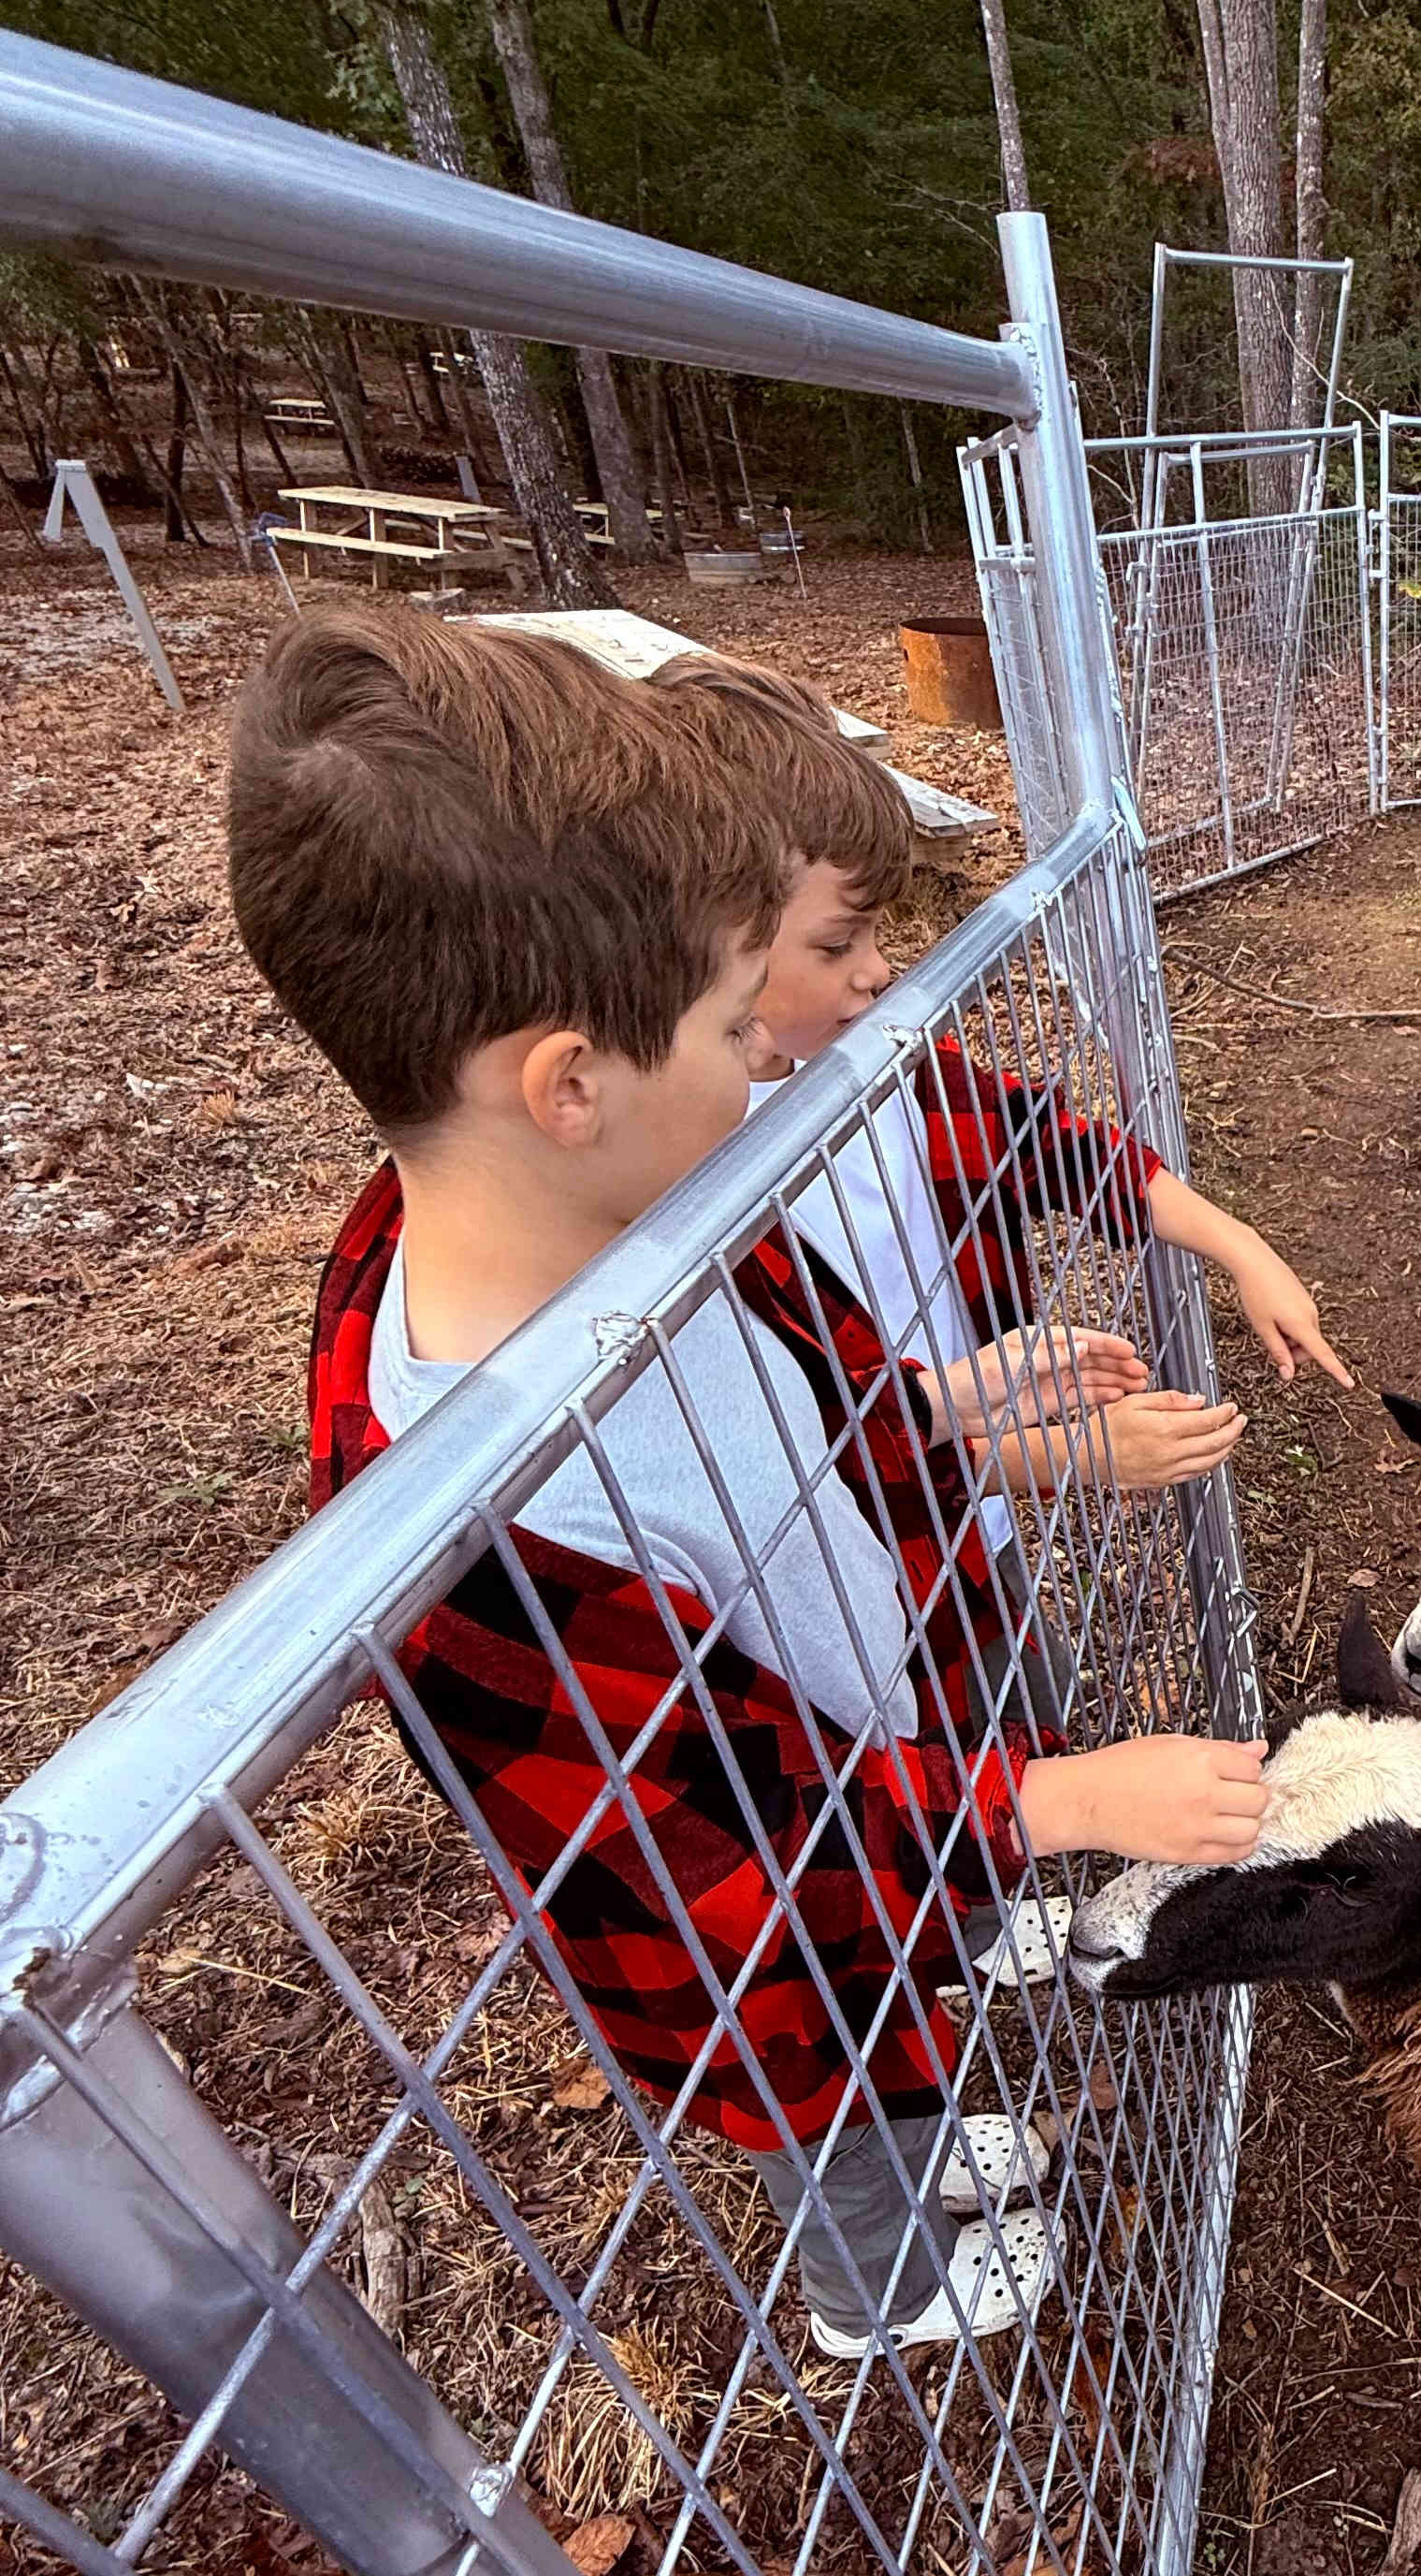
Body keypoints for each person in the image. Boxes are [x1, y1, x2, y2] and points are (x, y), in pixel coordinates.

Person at [229, 609, 1267, 2363]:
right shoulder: (474, 1536)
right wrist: (1059, 1806)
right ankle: (880, 2287)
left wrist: (938, 1406)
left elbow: (803, 1423)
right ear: (568, 1082)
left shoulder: (661, 1219)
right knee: (818, 2091)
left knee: (887, 2021)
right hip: (746, 1943)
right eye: (732, 1023)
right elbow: (748, 1852)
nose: (769, 1064)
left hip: (880, 1790)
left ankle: (926, 2140)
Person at [649, 648, 1350, 1979]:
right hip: (858, 1573)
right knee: (892, 1763)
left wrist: (1239, 1245)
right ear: (709, 943)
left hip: (972, 1508)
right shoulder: (686, 1177)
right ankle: (940, 1931)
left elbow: (1056, 1144)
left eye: (881, 936)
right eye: (838, 944)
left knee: (1005, 1695)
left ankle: (979, 1903)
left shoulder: (882, 1065)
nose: (880, 974)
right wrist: (1074, 1454)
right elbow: (806, 1464)